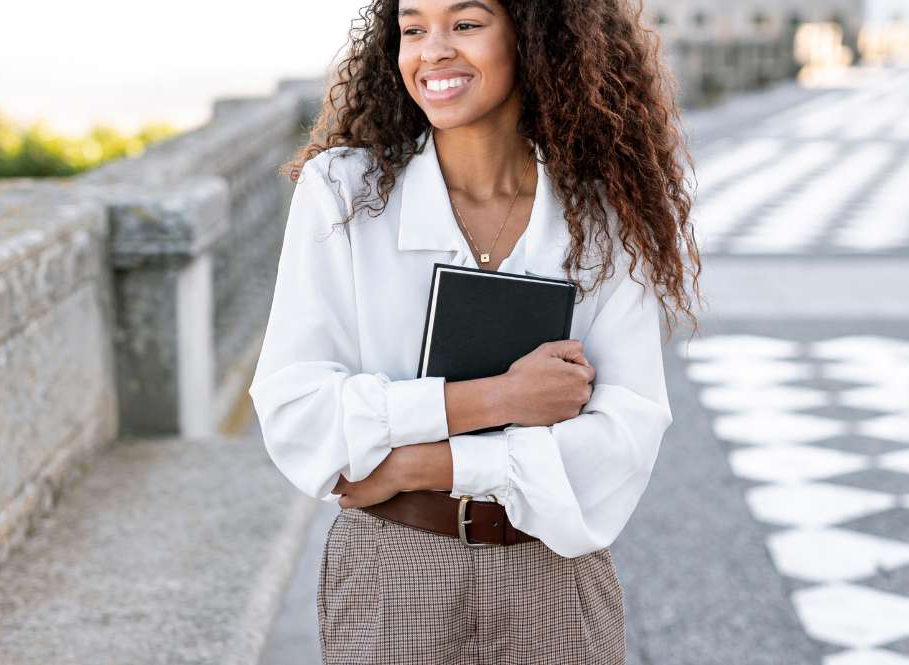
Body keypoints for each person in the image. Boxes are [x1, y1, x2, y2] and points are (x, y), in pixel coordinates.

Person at [248, 0, 702, 662]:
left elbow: (622, 436)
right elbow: (298, 410)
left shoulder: (603, 211)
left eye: (465, 24)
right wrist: (498, 399)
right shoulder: (343, 194)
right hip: (392, 567)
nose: (432, 50)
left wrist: (427, 460)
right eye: (412, 28)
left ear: (533, 36)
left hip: (551, 571)